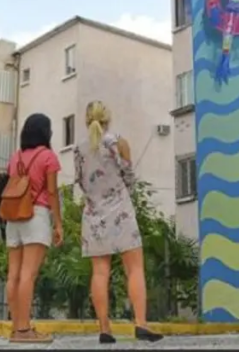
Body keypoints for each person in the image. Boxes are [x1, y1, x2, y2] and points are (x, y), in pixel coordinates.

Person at [74, 101, 164, 344]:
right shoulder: (119, 143)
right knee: (134, 269)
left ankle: (104, 328)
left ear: (86, 120)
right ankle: (140, 324)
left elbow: (81, 182)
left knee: (100, 272)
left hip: (93, 215)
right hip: (121, 211)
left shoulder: (79, 149)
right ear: (108, 119)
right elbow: (129, 177)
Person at [1, 113, 63, 344]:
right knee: (29, 274)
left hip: (13, 217)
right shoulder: (48, 157)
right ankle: (25, 330)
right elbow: (53, 193)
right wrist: (58, 223)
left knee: (14, 275)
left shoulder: (15, 157)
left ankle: (16, 328)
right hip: (36, 215)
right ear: (45, 132)